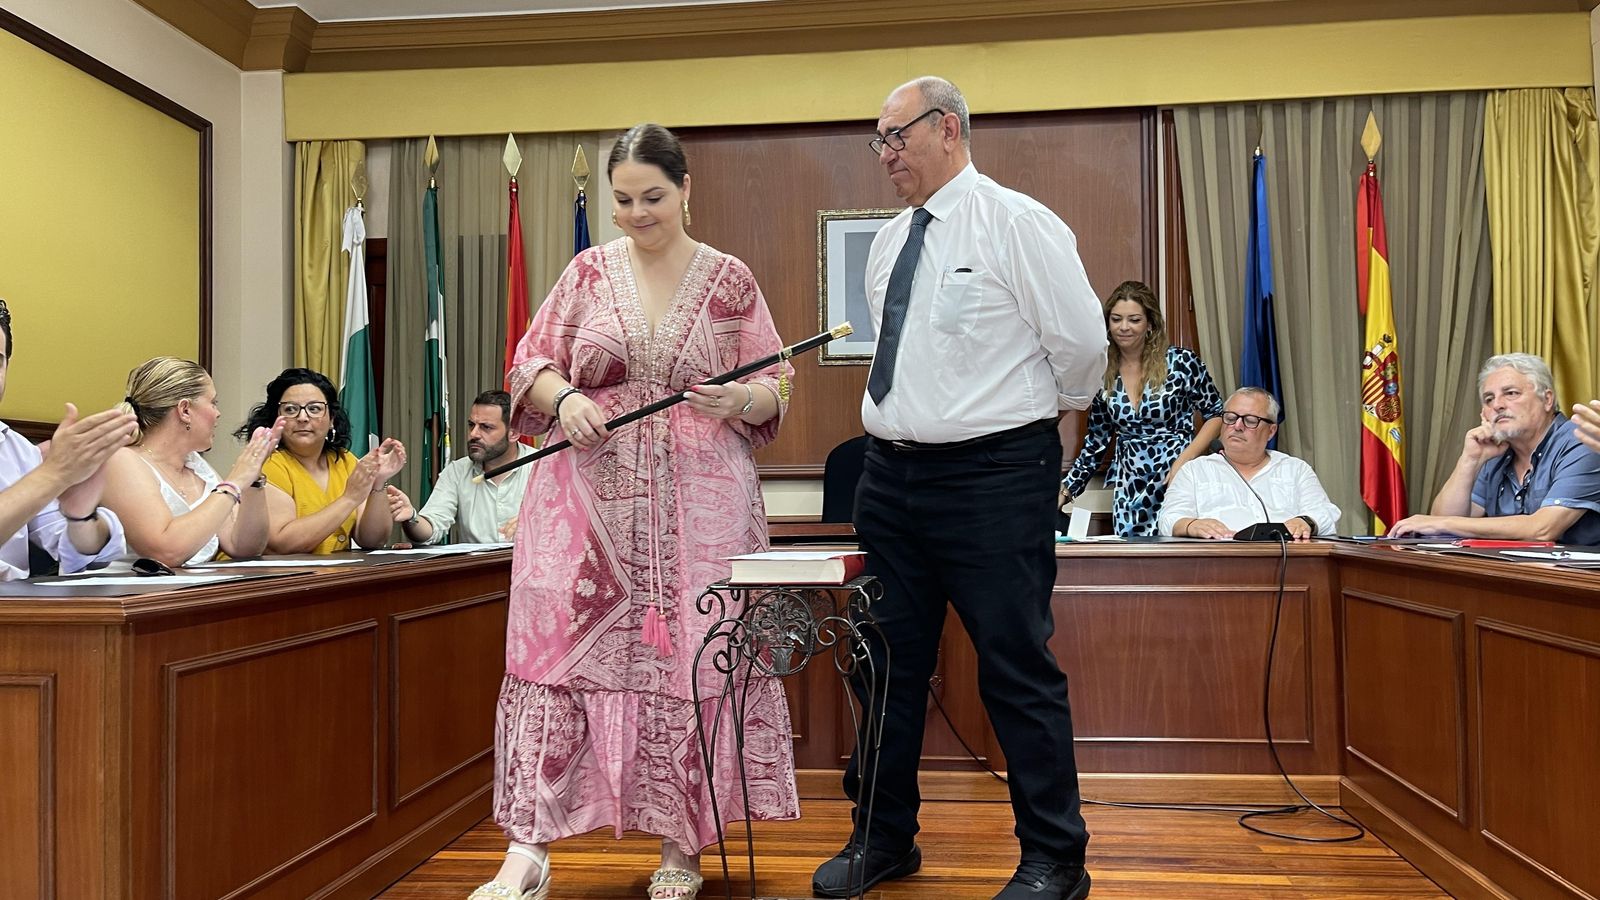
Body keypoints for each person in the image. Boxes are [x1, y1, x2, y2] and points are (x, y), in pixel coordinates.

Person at [476, 123, 797, 900]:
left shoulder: (729, 281)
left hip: (700, 503)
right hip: (586, 503)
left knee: (692, 657)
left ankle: (681, 846)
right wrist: (570, 397)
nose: (635, 213)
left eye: (651, 197)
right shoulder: (586, 273)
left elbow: (777, 385)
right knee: (556, 653)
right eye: (622, 199)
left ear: (685, 190)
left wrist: (736, 397)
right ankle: (529, 849)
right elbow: (528, 364)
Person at [813, 77, 1103, 900]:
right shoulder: (891, 239)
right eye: (878, 141)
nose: (885, 155)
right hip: (890, 479)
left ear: (948, 128)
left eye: (895, 136)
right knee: (885, 667)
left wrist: (1022, 423)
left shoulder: (1017, 221)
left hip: (994, 477)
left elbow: (1081, 351)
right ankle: (884, 839)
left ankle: (1055, 860)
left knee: (1015, 667)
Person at [1060, 280, 1223, 536]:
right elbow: (1097, 441)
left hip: (1177, 476)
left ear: (1150, 323)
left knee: (1181, 559)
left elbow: (1216, 414)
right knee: (1133, 567)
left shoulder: (1181, 362)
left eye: (1134, 319)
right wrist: (1066, 490)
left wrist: (1185, 460)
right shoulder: (1102, 372)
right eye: (1116, 319)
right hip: (1129, 485)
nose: (1124, 327)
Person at [1389, 353, 1600, 543]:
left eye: (1511, 393)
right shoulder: (1496, 453)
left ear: (1547, 399)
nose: (1497, 405)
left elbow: (1543, 529)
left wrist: (1443, 524)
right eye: (1489, 399)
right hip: (1512, 575)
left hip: (1578, 581)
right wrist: (1470, 460)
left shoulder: (1581, 439)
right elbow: (1440, 525)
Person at [100, 357, 285, 567]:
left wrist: (253, 477)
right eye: (213, 402)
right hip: (133, 596)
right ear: (185, 410)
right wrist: (233, 483)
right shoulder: (122, 460)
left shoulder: (197, 466)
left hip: (192, 594)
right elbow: (165, 553)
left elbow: (243, 547)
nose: (218, 413)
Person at [0, 298, 132, 579]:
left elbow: (74, 547)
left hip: (18, 614)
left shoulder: (16, 449)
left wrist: (80, 516)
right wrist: (55, 474)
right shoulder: (47, 470)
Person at [235, 368, 406, 555]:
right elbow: (283, 543)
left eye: (314, 409)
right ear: (277, 418)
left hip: (337, 576)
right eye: (290, 409)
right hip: (284, 580)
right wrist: (349, 498)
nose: (302, 418)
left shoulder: (345, 460)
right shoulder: (268, 464)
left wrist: (378, 483)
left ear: (331, 419)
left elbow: (373, 540)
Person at [1158, 387, 1340, 540]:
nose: (1237, 426)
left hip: (1287, 567)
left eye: (1250, 421)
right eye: (1230, 418)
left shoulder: (1295, 470)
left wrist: (1305, 521)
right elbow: (1167, 521)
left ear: (1271, 431)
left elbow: (1326, 515)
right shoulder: (1195, 471)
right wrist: (1191, 525)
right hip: (1216, 567)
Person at [385, 390, 532, 545]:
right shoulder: (457, 471)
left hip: (532, 565)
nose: (474, 434)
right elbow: (432, 528)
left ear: (514, 433)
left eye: (486, 427)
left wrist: (535, 524)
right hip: (481, 568)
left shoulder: (541, 467)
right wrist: (411, 517)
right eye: (471, 425)